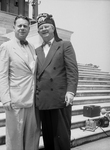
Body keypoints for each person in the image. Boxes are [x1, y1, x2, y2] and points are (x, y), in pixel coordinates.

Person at [0, 15, 40, 150]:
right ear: (14, 27)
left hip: (32, 101)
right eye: (19, 25)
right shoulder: (6, 47)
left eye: (25, 26)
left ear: (28, 29)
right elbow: (1, 75)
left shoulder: (32, 47)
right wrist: (5, 99)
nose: (22, 28)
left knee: (32, 137)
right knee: (15, 139)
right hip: (15, 101)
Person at [35, 13, 78, 150]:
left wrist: (70, 92)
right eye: (41, 27)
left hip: (60, 99)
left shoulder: (64, 45)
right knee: (48, 138)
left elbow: (72, 70)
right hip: (43, 100)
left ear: (53, 28)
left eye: (46, 26)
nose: (44, 29)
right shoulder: (36, 50)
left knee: (61, 138)